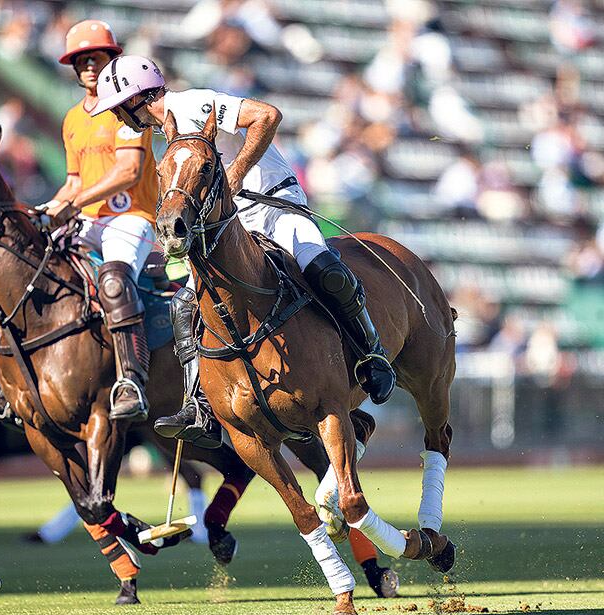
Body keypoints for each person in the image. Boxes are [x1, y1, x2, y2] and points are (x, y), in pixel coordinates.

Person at [90, 55, 396, 448]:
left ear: (135, 99)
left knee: (322, 267)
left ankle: (371, 354)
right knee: (185, 304)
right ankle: (198, 403)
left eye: (118, 110)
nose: (118, 119)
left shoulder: (191, 105)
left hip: (274, 201)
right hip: (232, 224)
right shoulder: (165, 131)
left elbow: (267, 115)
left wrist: (234, 175)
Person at [0, 21, 159, 423]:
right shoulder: (73, 119)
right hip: (89, 219)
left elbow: (128, 171)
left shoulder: (129, 107)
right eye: (81, 60)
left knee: (113, 280)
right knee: (29, 271)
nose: (89, 65)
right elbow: (74, 181)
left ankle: (132, 381)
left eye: (97, 57)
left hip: (131, 218)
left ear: (112, 59)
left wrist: (73, 206)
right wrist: (45, 209)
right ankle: (12, 387)